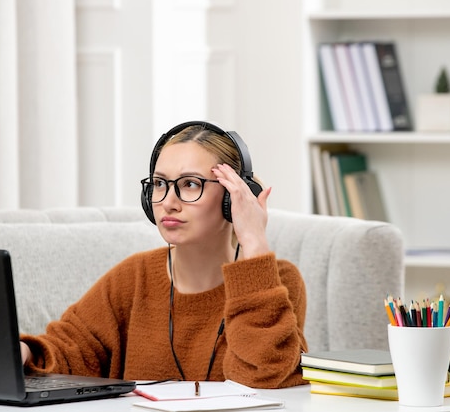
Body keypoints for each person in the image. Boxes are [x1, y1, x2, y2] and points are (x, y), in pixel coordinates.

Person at [20, 121, 308, 388]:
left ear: (233, 196)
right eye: (159, 184)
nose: (168, 202)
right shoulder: (133, 277)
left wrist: (254, 244)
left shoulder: (276, 282)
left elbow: (265, 377)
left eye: (190, 184)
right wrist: (21, 352)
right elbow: (71, 350)